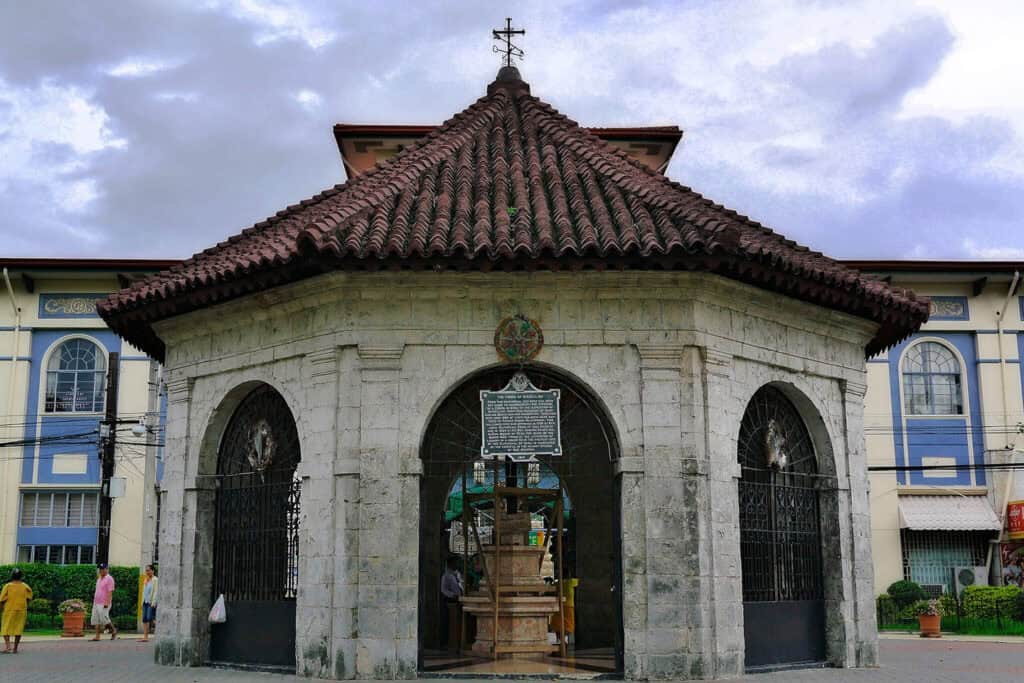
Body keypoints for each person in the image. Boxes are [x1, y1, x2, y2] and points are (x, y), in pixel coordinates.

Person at [1, 568, 33, 654]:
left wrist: (1, 608)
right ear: (21, 576)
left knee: (5, 628)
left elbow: (2, 599)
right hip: (21, 610)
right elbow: (29, 598)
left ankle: (8, 647)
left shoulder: (7, 586)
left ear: (11, 576)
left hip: (9, 609)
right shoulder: (25, 586)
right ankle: (15, 648)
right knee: (18, 629)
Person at [439, 556, 463, 649]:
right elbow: (443, 590)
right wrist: (453, 595)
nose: (456, 565)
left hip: (459, 599)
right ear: (450, 564)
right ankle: (449, 643)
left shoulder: (457, 574)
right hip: (451, 601)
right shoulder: (446, 576)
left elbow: (460, 584)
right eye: (454, 563)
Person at [90, 563, 117, 641]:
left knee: (104, 619)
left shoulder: (109, 579)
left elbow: (110, 592)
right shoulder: (99, 578)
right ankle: (97, 636)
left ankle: (113, 630)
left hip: (104, 602)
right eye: (100, 569)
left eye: (103, 569)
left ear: (106, 569)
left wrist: (107, 602)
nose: (101, 570)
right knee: (95, 619)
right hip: (96, 602)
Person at [138, 564, 158, 642]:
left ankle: (162, 629)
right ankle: (145, 637)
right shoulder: (145, 579)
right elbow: (144, 592)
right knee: (145, 619)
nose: (147, 572)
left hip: (150, 602)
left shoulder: (155, 579)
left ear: (153, 571)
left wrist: (153, 602)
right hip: (145, 602)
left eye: (149, 570)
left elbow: (156, 591)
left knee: (150, 618)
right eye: (146, 570)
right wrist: (141, 602)